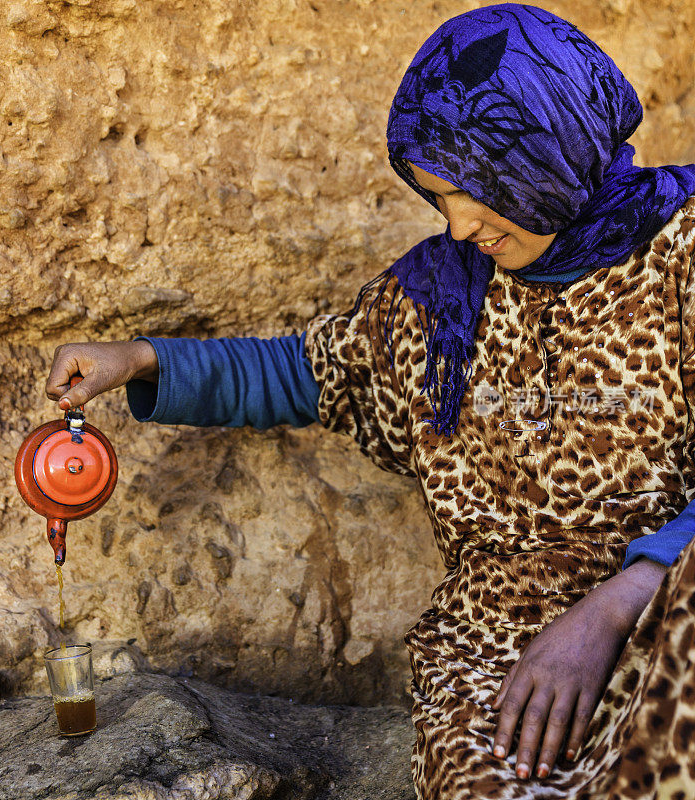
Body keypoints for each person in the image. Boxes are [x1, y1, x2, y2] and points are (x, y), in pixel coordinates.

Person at [45, 4, 695, 798]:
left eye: (475, 192)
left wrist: (615, 606)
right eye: (438, 198)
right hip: (499, 645)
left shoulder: (680, 257)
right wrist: (139, 359)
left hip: (666, 618)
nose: (457, 228)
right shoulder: (433, 299)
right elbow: (304, 372)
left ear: (542, 155)